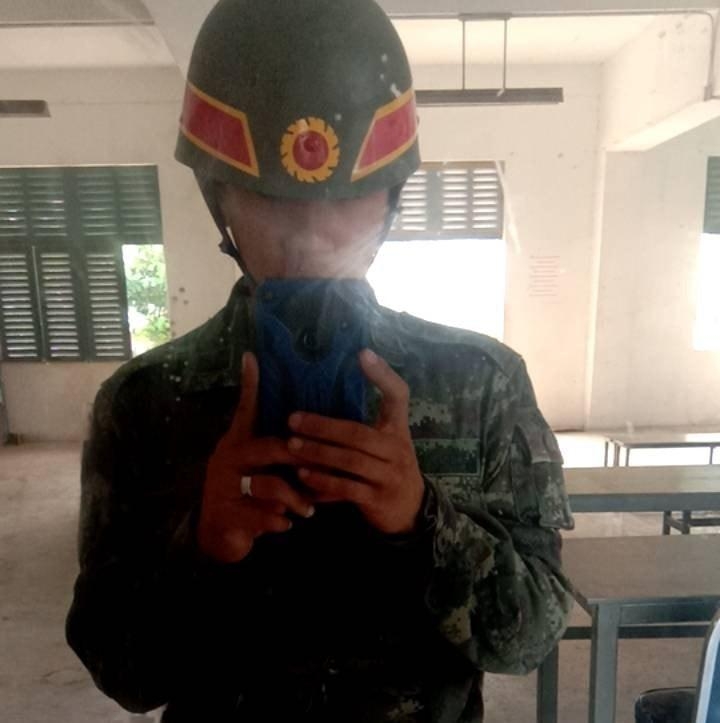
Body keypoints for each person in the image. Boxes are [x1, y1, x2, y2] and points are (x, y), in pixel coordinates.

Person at [65, 1, 575, 721]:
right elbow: (121, 671)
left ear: (390, 201)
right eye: (271, 201)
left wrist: (424, 520)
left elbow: (531, 636)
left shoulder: (481, 384)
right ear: (219, 201)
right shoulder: (146, 402)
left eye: (347, 198)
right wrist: (201, 546)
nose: (310, 235)